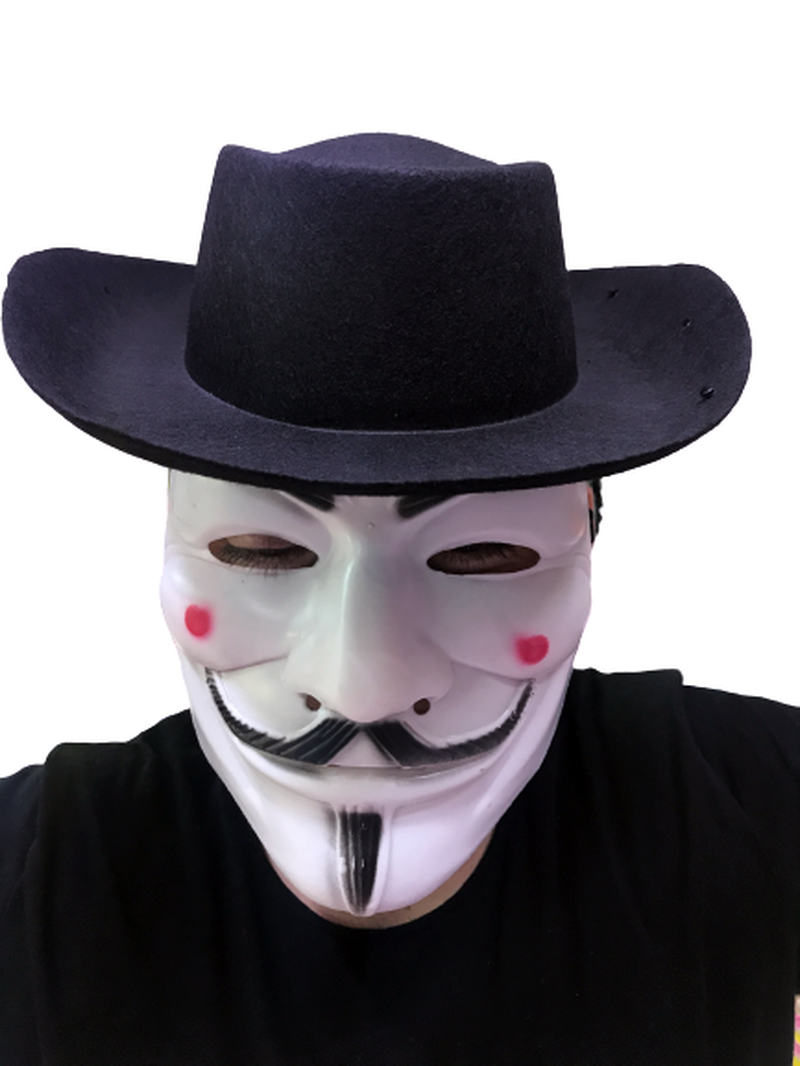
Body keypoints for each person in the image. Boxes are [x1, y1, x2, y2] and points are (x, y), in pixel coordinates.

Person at [1, 133, 797, 1064]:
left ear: (589, 533)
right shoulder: (36, 885)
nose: (362, 689)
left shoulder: (757, 809)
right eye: (261, 549)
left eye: (480, 555)